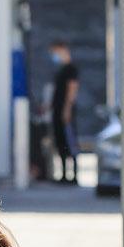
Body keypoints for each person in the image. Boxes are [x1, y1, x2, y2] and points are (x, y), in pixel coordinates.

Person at [49, 40, 80, 184]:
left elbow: (72, 90)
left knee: (70, 142)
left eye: (55, 52)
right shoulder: (61, 69)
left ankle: (73, 175)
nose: (54, 56)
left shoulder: (71, 69)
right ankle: (63, 174)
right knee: (61, 142)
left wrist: (67, 109)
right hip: (58, 110)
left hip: (65, 111)